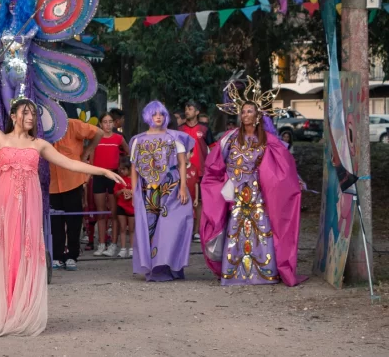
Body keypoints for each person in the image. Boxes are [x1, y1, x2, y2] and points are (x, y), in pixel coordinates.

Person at [0, 73, 125, 337]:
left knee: (28, 255)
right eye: (26, 112)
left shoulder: (40, 144)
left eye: (33, 113)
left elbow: (69, 163)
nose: (31, 117)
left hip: (30, 208)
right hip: (5, 206)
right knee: (7, 255)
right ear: (13, 116)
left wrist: (102, 171)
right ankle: (7, 312)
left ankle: (25, 311)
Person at [201, 92, 304, 286]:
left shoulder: (268, 140)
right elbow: (214, 164)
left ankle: (264, 273)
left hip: (258, 192)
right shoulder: (229, 139)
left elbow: (284, 165)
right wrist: (223, 181)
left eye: (249, 111)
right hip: (237, 193)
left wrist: (293, 181)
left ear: (257, 116)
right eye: (243, 111)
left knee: (261, 228)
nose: (245, 114)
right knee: (236, 228)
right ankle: (234, 273)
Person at [130, 101, 194, 281]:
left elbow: (182, 164)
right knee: (150, 227)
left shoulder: (175, 137)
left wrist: (182, 187)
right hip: (147, 189)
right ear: (147, 116)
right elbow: (134, 168)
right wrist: (135, 192)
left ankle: (170, 265)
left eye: (162, 114)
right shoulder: (138, 140)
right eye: (154, 114)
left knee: (171, 227)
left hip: (172, 188)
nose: (158, 117)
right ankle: (153, 267)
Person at [50, 118, 103, 271]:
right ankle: (57, 256)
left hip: (73, 180)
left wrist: (88, 151)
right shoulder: (42, 126)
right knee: (55, 222)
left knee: (74, 221)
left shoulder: (72, 124)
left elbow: (98, 132)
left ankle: (72, 255)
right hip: (51, 183)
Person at [92, 112, 129, 257]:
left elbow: (128, 153)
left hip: (113, 175)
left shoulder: (119, 138)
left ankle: (113, 244)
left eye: (110, 122)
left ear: (114, 123)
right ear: (100, 124)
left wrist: (123, 169)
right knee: (101, 212)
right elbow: (91, 155)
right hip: (99, 175)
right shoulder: (95, 138)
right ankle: (101, 244)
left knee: (114, 212)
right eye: (105, 122)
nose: (108, 124)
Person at [178, 100, 214, 243]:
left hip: (200, 170)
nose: (187, 111)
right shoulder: (179, 130)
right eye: (186, 108)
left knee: (199, 202)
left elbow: (214, 148)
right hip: (182, 171)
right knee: (182, 200)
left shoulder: (205, 129)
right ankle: (184, 230)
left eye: (190, 108)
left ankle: (197, 231)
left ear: (197, 112)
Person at [113, 156, 135, 258]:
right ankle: (122, 248)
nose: (122, 171)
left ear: (130, 169)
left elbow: (140, 191)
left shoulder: (135, 179)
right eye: (120, 169)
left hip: (132, 207)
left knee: (131, 229)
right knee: (122, 228)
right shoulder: (119, 180)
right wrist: (122, 191)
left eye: (124, 169)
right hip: (121, 206)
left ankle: (131, 248)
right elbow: (115, 193)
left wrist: (131, 193)